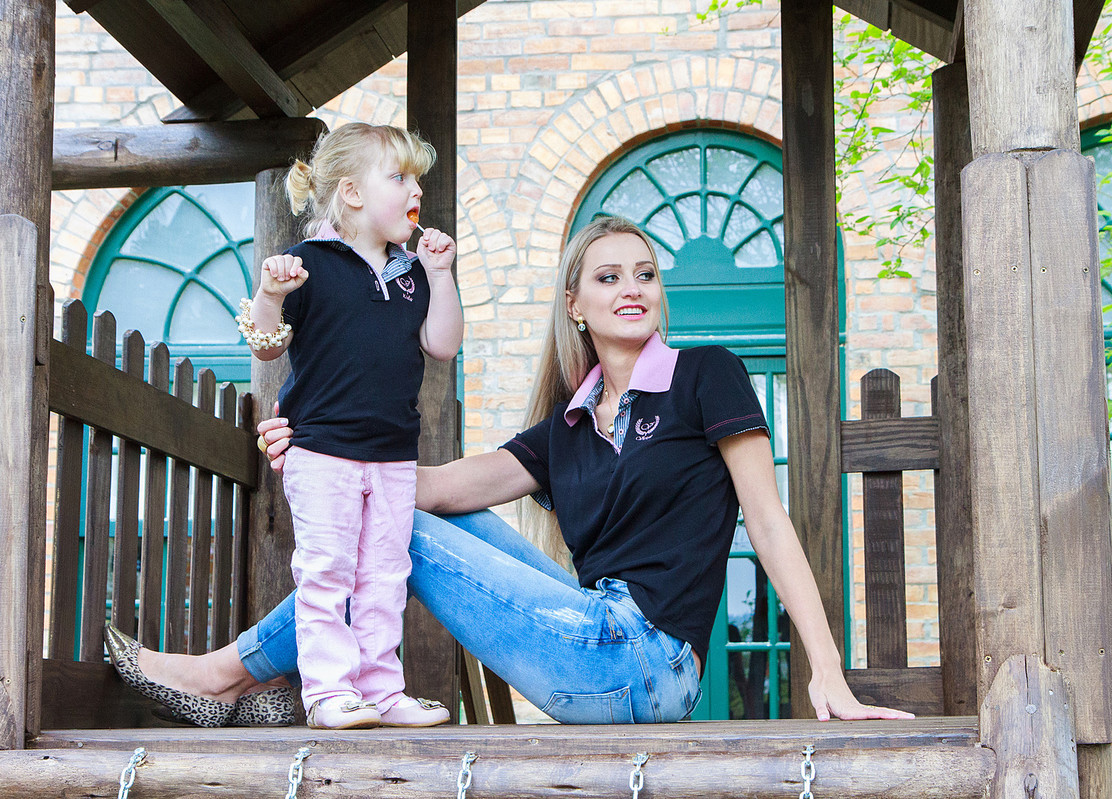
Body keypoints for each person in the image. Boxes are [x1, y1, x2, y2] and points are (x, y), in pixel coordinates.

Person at [108, 216, 913, 726]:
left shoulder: (707, 375)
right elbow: (424, 489)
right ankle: (267, 683)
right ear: (576, 305)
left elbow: (767, 522)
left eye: (644, 273)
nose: (632, 288)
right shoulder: (566, 427)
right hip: (590, 630)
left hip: (646, 661)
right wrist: (322, 454)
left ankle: (225, 674)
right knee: (401, 512)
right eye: (608, 277)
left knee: (399, 532)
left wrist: (827, 672)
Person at [106, 123, 463, 731]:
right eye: (399, 178)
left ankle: (381, 690)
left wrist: (440, 274)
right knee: (327, 572)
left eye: (417, 180)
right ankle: (328, 692)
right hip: (321, 452)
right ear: (352, 192)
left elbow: (443, 344)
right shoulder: (308, 264)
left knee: (385, 575)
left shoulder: (410, 273)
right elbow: (266, 346)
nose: (416, 191)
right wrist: (270, 294)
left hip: (393, 455)